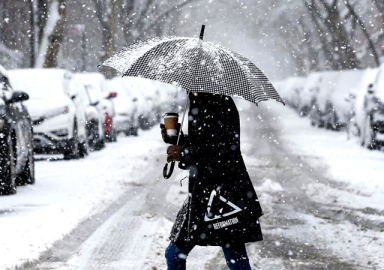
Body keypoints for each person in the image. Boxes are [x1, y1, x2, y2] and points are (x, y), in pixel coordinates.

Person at [160, 92, 263, 270]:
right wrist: (177, 139)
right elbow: (204, 142)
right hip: (202, 192)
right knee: (175, 254)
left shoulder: (219, 103)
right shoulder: (199, 100)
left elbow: (223, 151)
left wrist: (183, 153)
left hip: (224, 194)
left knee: (235, 257)